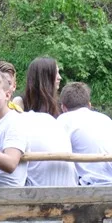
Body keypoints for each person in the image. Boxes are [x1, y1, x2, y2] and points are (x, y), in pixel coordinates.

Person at [57, 82, 112, 186]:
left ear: (63, 107)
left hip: (98, 186)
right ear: (89, 105)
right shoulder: (106, 119)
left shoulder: (64, 120)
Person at [21, 57, 76, 187]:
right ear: (45, 77)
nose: (60, 77)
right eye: (56, 73)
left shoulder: (58, 108)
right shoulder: (21, 104)